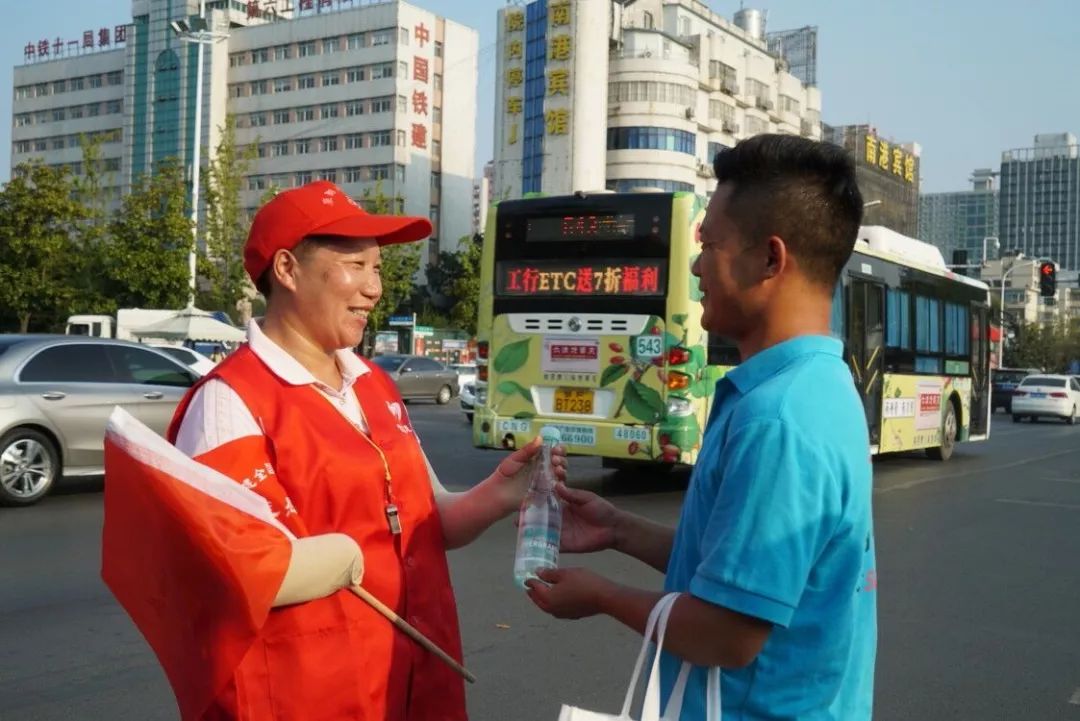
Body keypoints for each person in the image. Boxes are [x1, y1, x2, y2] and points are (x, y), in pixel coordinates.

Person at [168, 180, 565, 721]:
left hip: (419, 678)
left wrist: (505, 490)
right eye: (355, 265)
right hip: (310, 696)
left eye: (377, 268)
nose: (374, 288)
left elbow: (430, 523)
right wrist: (340, 557)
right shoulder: (228, 403)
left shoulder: (373, 383)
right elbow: (232, 574)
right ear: (286, 270)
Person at [526, 135, 876, 720]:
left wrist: (602, 596)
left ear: (771, 258)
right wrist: (617, 529)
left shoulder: (778, 419)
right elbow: (736, 570)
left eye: (709, 244)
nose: (695, 266)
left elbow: (726, 633)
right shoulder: (817, 384)